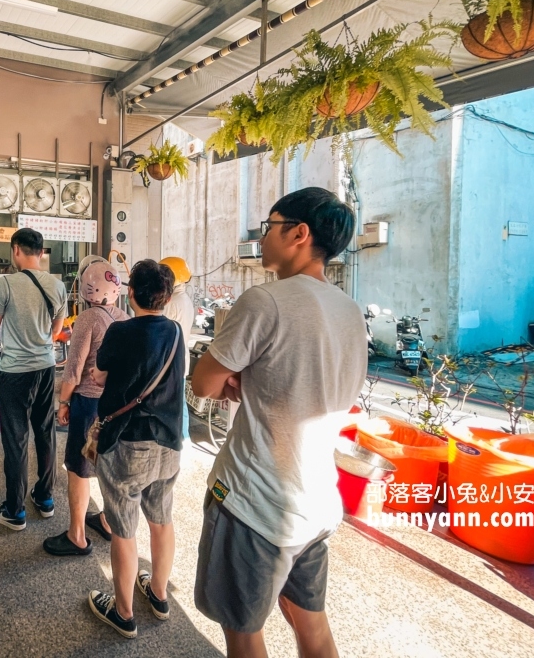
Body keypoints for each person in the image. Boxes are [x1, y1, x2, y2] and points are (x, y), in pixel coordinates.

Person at [190, 187, 365, 658]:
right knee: (310, 624)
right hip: (316, 502)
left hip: (255, 502)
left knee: (243, 630)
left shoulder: (264, 301)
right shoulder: (349, 311)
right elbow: (324, 390)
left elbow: (204, 383)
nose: (261, 238)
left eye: (269, 226)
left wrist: (234, 377)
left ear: (299, 233)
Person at [86, 260, 185, 639]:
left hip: (129, 443)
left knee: (124, 529)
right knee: (162, 519)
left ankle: (124, 613)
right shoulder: (175, 332)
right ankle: (159, 595)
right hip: (170, 443)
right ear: (168, 296)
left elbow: (99, 373)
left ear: (130, 294)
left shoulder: (121, 330)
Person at [0, 228, 67, 531]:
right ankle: (45, 499)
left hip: (15, 371)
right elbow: (56, 331)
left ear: (16, 250)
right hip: (46, 368)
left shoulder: (5, 284)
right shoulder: (57, 285)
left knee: (16, 438)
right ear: (41, 252)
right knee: (46, 432)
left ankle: (15, 509)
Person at [46, 259, 127, 556]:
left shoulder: (89, 318)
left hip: (88, 402)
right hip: (116, 404)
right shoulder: (122, 316)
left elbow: (74, 369)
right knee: (108, 464)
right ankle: (106, 520)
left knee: (79, 468)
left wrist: (63, 402)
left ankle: (77, 535)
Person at [160, 256, 195, 439]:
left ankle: (182, 439)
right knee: (178, 403)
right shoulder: (184, 299)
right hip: (179, 359)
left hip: (170, 361)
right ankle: (183, 438)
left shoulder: (172, 302)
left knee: (176, 405)